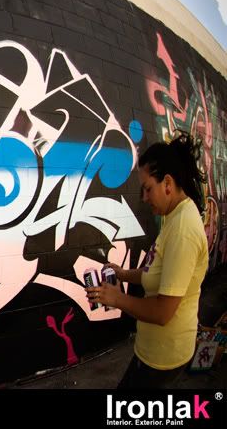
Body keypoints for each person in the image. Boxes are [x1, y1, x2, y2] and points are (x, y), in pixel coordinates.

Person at [87, 131, 208, 389]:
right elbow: (155, 271)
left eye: (147, 189)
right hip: (153, 351)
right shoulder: (174, 216)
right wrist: (122, 274)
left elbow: (163, 312)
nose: (144, 198)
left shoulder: (183, 229)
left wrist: (116, 299)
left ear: (167, 183)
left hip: (163, 359)